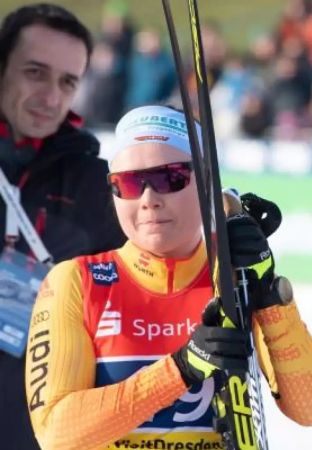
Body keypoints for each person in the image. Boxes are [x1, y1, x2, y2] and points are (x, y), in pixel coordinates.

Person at [25, 105, 312, 449]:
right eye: (128, 183)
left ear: (206, 183)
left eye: (169, 178)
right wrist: (181, 370)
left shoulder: (232, 277)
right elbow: (55, 432)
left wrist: (268, 298)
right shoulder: (77, 282)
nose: (148, 199)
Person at [0, 4, 126, 449]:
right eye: (35, 73)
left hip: (47, 431)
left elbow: (158, 265)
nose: (52, 97)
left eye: (68, 81)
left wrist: (226, 225)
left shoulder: (98, 185)